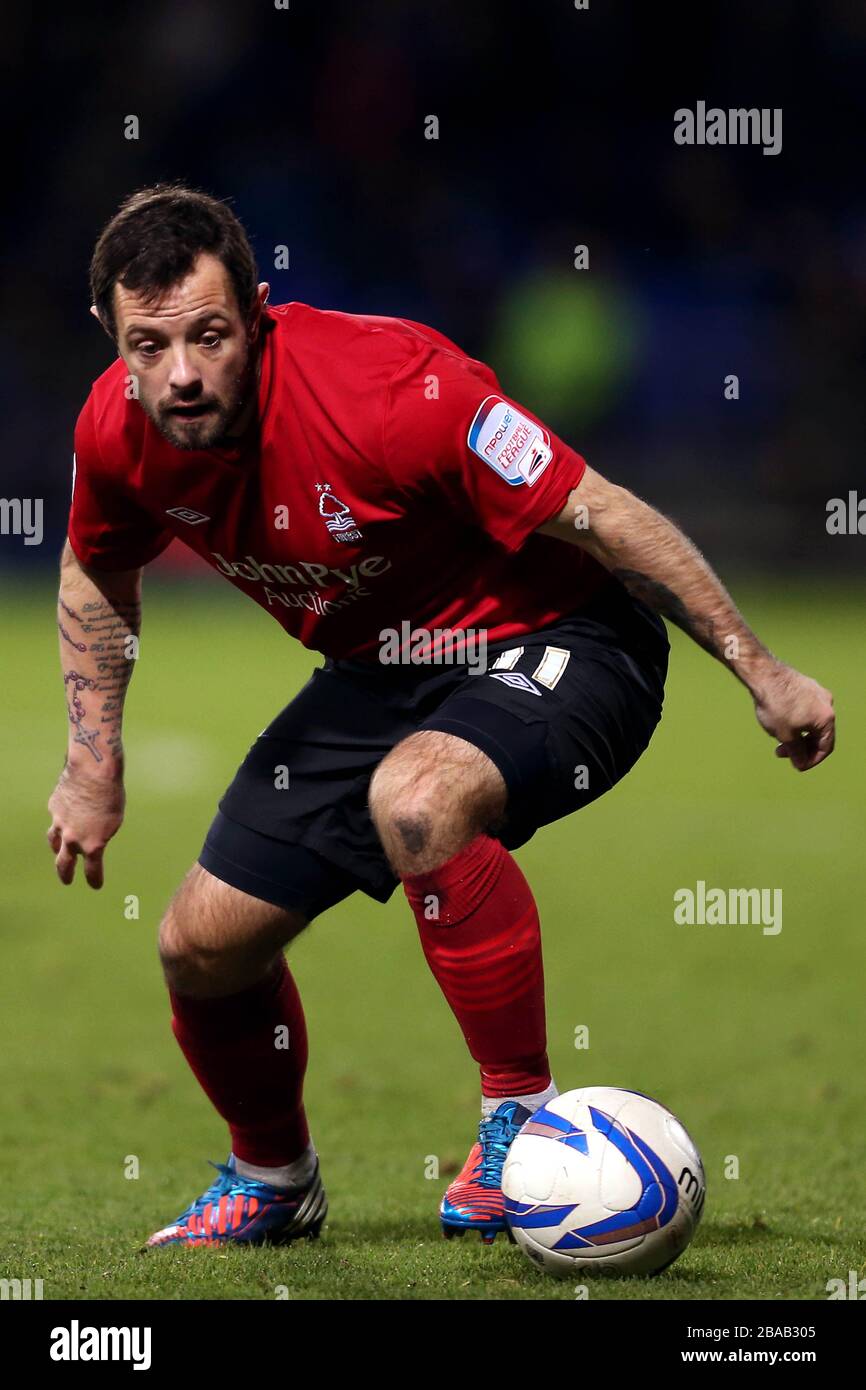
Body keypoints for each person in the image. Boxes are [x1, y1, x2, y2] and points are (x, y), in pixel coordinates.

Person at [47, 185, 835, 1248]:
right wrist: (94, 763)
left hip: (567, 638)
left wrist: (758, 667)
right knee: (199, 946)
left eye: (209, 335)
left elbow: (600, 515)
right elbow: (98, 567)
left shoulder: (394, 389)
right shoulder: (118, 429)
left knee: (417, 797)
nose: (181, 373)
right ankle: (272, 1180)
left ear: (259, 313)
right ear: (112, 335)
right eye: (150, 345)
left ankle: (514, 1111)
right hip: (380, 673)